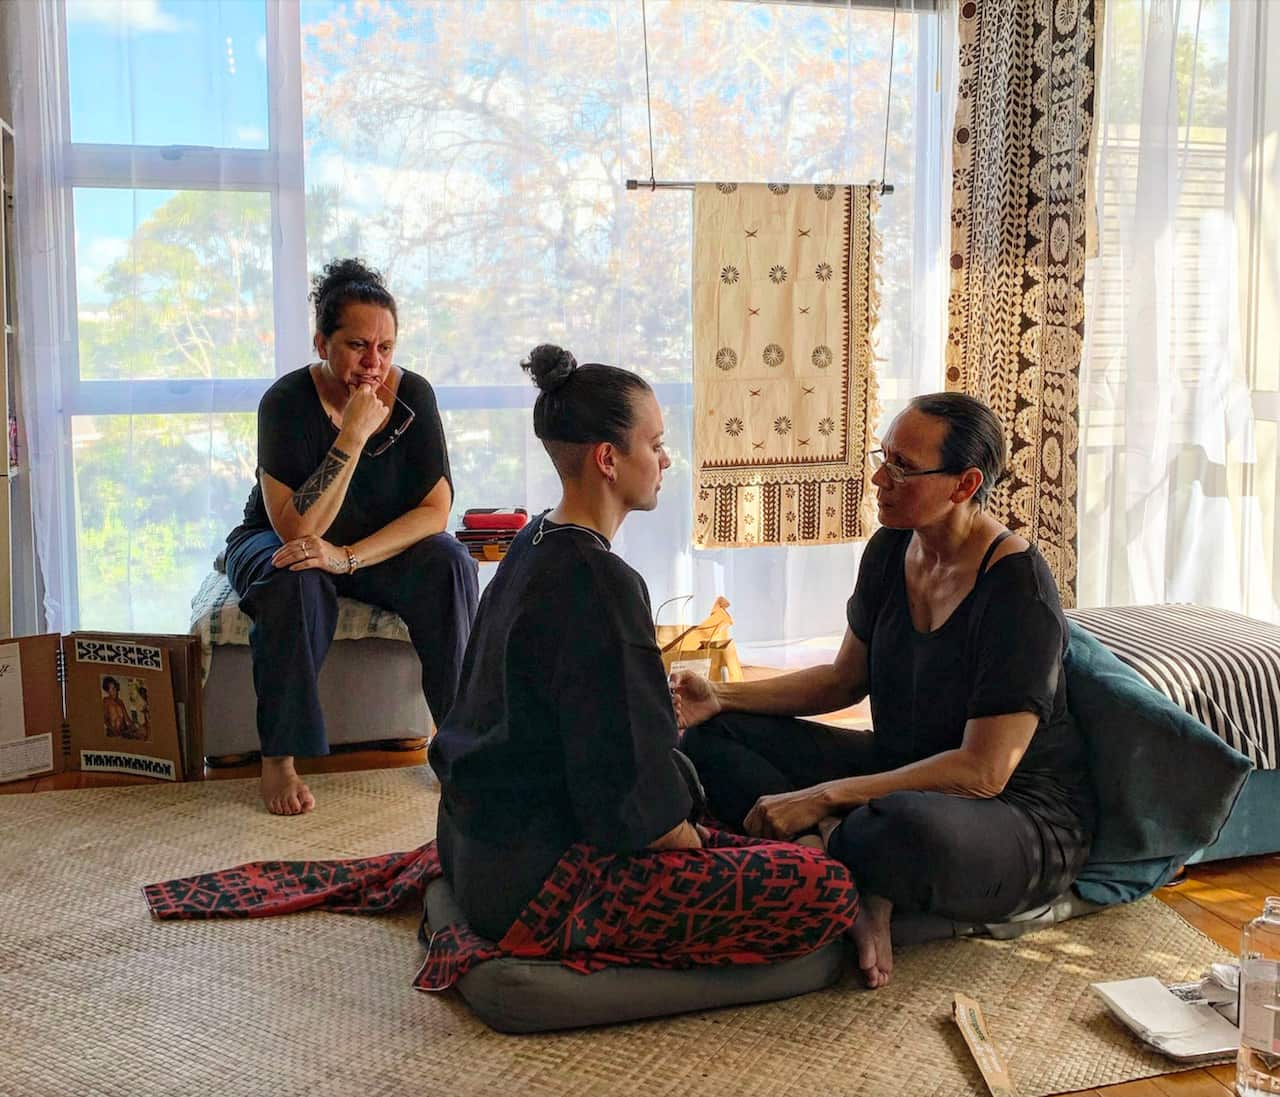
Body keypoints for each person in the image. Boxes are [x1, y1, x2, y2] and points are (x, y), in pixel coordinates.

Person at [423, 345, 858, 979]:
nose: (665, 459)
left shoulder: (531, 542)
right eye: (654, 444)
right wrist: (689, 837)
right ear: (608, 459)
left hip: (472, 850)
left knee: (718, 790)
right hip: (534, 888)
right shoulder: (600, 580)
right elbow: (634, 804)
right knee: (825, 886)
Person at [675, 392, 1096, 991]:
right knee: (711, 739)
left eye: (902, 466)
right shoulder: (892, 547)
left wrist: (824, 797)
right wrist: (722, 697)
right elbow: (843, 679)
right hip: (899, 770)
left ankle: (850, 869)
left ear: (964, 483)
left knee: (899, 829)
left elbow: (984, 771)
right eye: (883, 456)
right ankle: (854, 872)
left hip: (1017, 816)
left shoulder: (1016, 590)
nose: (879, 477)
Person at [223, 259, 479, 816]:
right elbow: (298, 527)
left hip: (367, 548)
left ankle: (457, 741)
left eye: (386, 347)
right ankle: (280, 759)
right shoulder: (286, 402)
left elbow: (436, 510)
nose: (375, 363)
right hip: (276, 535)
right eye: (359, 345)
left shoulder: (413, 397)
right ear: (322, 342)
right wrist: (353, 436)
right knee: (296, 577)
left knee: (450, 562)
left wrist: (347, 557)